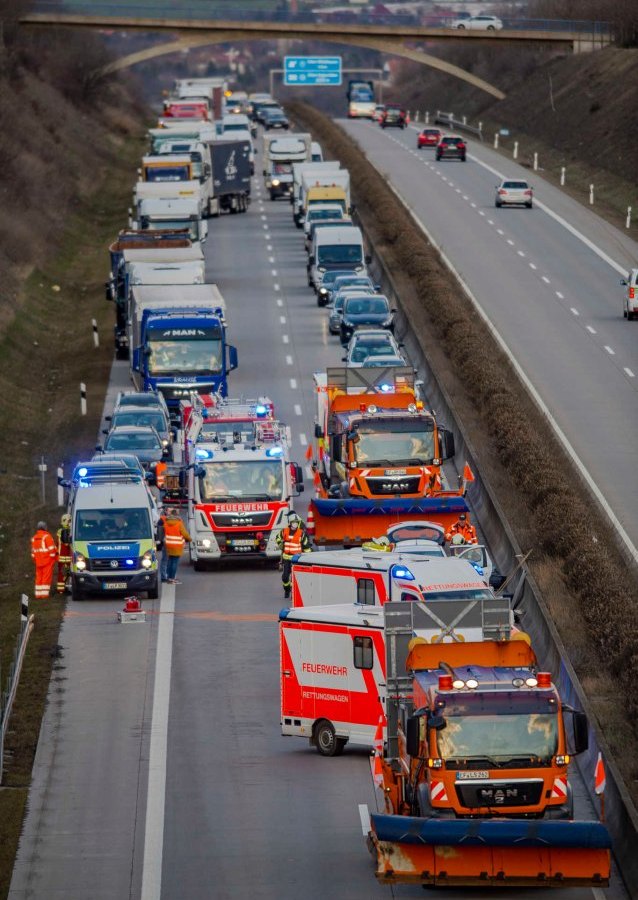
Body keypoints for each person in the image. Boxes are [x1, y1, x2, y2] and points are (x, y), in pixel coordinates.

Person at [275, 511, 312, 600]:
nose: (294, 524)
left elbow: (306, 544)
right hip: (286, 558)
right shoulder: (285, 531)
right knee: (285, 577)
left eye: (295, 522)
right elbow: (278, 538)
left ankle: (295, 592)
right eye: (293, 522)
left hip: (297, 558)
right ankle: (287, 589)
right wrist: (281, 545)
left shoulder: (301, 531)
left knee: (296, 577)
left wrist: (308, 558)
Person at [163, 507, 192, 585]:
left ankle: (168, 577)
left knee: (170, 561)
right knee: (175, 562)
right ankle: (172, 579)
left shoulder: (166, 522)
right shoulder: (179, 523)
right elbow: (184, 533)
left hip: (169, 544)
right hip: (177, 545)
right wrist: (189, 539)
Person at [31, 521, 58, 600]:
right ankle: (44, 595)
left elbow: (33, 553)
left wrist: (35, 560)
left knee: (39, 578)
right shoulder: (47, 537)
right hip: (47, 561)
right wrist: (53, 559)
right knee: (46, 578)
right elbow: (52, 550)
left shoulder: (34, 538)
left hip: (38, 562)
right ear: (45, 527)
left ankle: (38, 595)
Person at [55, 513, 72, 595]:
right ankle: (61, 590)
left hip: (61, 557)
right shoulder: (65, 531)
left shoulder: (60, 531)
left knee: (63, 573)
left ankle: (61, 589)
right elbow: (66, 543)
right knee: (64, 573)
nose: (70, 523)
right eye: (70, 521)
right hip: (65, 557)